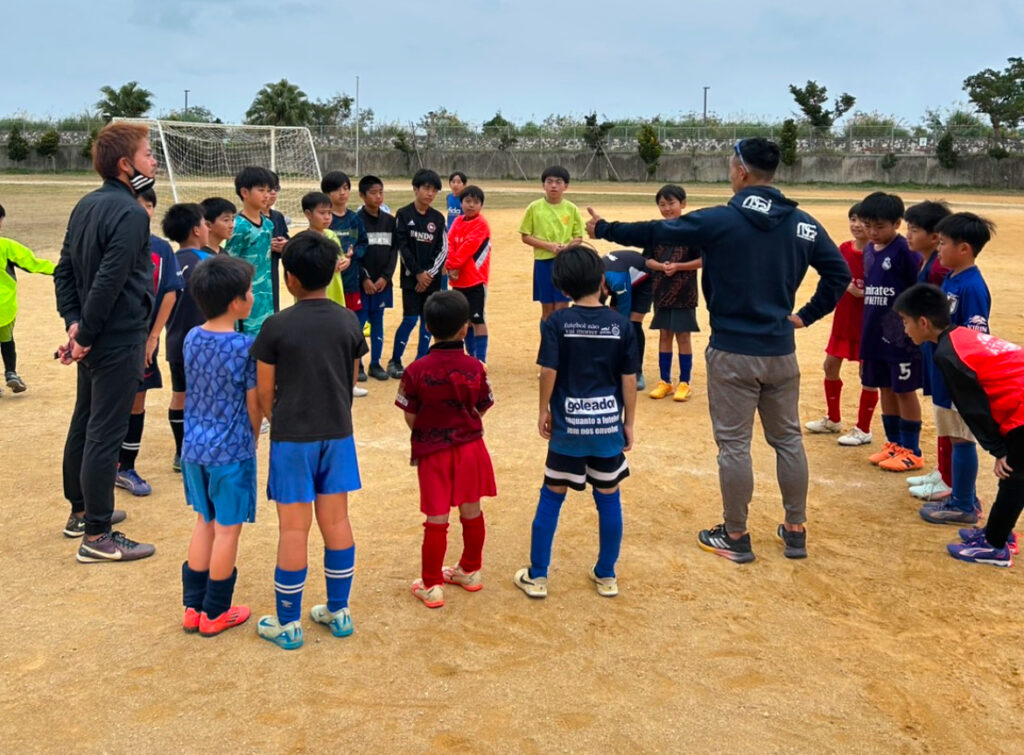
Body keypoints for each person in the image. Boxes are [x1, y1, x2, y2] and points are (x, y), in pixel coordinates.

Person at [587, 138, 849, 563]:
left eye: (731, 165)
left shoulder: (722, 220)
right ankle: (795, 529)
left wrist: (604, 230)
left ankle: (736, 534)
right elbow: (838, 274)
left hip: (732, 351)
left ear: (741, 171)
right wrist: (804, 316)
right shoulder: (804, 223)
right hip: (781, 352)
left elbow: (656, 232)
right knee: (787, 440)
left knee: (734, 445)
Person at [251, 232, 367, 650]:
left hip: (292, 437)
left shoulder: (276, 325)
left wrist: (274, 419)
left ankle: (288, 623)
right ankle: (339, 611)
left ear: (290, 278)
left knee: (293, 528)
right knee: (336, 521)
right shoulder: (348, 320)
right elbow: (351, 377)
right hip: (336, 434)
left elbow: (265, 391)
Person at [54, 121, 157, 558]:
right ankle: (97, 536)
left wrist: (75, 326)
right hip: (114, 338)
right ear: (123, 164)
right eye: (147, 153)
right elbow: (108, 282)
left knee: (85, 421)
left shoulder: (85, 205)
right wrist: (87, 333)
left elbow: (65, 272)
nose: (152, 161)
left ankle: (81, 510)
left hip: (93, 336)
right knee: (104, 432)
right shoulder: (132, 212)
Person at [513, 244, 637, 599]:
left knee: (552, 496)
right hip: (606, 427)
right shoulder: (620, 325)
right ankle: (607, 574)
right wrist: (628, 422)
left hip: (569, 428)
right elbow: (628, 379)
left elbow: (548, 370)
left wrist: (543, 410)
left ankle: (538, 576)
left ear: (563, 289)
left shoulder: (557, 322)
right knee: (609, 497)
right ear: (602, 281)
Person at [895, 283, 1023, 567]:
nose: (905, 329)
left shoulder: (947, 354)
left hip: (1021, 408)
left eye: (905, 322)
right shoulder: (959, 337)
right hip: (1018, 402)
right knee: (1016, 475)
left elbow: (973, 408)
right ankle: (998, 533)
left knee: (1013, 476)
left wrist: (999, 450)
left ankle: (996, 546)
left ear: (924, 323)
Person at [395, 290, 495, 608]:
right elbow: (483, 404)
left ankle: (432, 584)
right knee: (472, 510)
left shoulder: (415, 370)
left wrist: (429, 430)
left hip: (433, 450)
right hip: (470, 448)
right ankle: (469, 569)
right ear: (465, 328)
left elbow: (410, 413)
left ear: (427, 326)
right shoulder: (477, 368)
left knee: (436, 518)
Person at [179, 255, 260, 636]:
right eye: (248, 291)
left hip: (194, 447)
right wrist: (255, 436)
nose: (252, 296)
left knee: (204, 522)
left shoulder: (193, 336)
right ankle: (215, 613)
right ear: (236, 302)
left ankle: (193, 609)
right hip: (231, 452)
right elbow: (252, 402)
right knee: (228, 530)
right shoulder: (246, 346)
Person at [915, 212, 994, 525]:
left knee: (961, 437)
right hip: (943, 368)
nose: (939, 249)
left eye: (944, 243)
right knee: (951, 432)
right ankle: (961, 494)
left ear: (964, 249)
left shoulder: (972, 286)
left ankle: (964, 504)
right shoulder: (951, 278)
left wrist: (961, 374)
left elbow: (975, 338)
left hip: (958, 374)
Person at [114, 188, 184, 496]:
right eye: (137, 204)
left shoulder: (160, 248)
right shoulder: (111, 244)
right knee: (106, 404)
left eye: (148, 205)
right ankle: (104, 465)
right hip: (112, 340)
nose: (143, 210)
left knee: (136, 400)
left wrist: (154, 336)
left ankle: (126, 467)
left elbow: (170, 291)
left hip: (143, 341)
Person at [856, 192, 926, 472]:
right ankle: (894, 443)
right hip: (873, 332)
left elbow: (917, 289)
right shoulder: (870, 250)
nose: (873, 232)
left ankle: (912, 450)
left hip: (901, 337)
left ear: (897, 223)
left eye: (880, 226)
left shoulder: (905, 251)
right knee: (884, 387)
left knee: (904, 390)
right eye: (868, 225)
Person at [616, 184, 702, 402]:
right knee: (664, 334)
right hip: (662, 291)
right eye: (662, 205)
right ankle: (665, 380)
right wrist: (661, 266)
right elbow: (647, 259)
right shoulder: (656, 231)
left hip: (685, 293)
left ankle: (685, 382)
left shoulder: (692, 231)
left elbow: (703, 260)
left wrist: (679, 267)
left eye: (671, 203)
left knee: (683, 336)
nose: (667, 209)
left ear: (683, 204)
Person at [805, 203, 876, 444]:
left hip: (868, 323)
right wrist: (848, 286)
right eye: (853, 219)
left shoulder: (878, 253)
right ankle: (833, 419)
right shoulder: (844, 249)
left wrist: (866, 293)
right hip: (844, 320)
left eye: (863, 221)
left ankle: (863, 428)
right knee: (830, 366)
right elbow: (834, 275)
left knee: (867, 374)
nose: (857, 225)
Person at [901, 201, 953, 499]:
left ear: (935, 237)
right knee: (940, 412)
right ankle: (943, 471)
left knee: (946, 413)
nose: (908, 235)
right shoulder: (926, 261)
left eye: (915, 230)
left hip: (938, 345)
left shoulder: (937, 268)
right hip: (930, 346)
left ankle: (947, 478)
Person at [163, 202, 214, 471]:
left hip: (175, 341)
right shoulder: (208, 262)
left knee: (180, 394)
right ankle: (203, 449)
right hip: (206, 342)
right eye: (205, 224)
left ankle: (181, 453)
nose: (208, 228)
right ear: (197, 230)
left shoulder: (168, 260)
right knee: (207, 395)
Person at [387, 169, 447, 379]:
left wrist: (428, 274)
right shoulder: (403, 215)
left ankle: (422, 360)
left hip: (432, 280)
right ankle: (395, 360)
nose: (430, 194)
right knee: (410, 319)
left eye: (434, 190)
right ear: (415, 189)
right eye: (426, 188)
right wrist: (418, 273)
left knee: (428, 321)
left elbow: (442, 250)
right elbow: (402, 248)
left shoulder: (438, 218)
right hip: (411, 279)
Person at [0, 202, 55, 395]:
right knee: (6, 340)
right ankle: (11, 373)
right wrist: (59, 270)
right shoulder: (6, 246)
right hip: (4, 307)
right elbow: (33, 264)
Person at [519, 166, 584, 324]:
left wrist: (567, 248)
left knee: (562, 307)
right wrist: (548, 246)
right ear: (543, 185)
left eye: (558, 182)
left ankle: (561, 346)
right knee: (547, 309)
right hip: (543, 262)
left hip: (565, 264)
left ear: (565, 186)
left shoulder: (572, 209)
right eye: (549, 182)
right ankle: (547, 345)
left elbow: (579, 237)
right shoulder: (534, 208)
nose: (553, 185)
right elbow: (525, 236)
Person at [357, 175, 399, 381]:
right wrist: (364, 279)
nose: (378, 196)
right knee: (359, 323)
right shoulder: (357, 221)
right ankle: (359, 365)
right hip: (362, 284)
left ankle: (375, 363)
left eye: (381, 192)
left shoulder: (391, 222)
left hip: (383, 284)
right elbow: (355, 253)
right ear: (362, 196)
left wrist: (385, 278)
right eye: (373, 193)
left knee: (378, 322)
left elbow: (393, 253)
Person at [224, 166, 274, 336]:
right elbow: (230, 263)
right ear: (244, 192)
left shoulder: (268, 224)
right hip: (245, 296)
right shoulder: (239, 227)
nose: (266, 195)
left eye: (269, 190)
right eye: (261, 190)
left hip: (266, 295)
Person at [444, 184, 491, 362]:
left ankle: (481, 359)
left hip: (476, 280)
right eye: (467, 201)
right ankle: (470, 355)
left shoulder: (481, 224)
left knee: (477, 319)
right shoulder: (457, 221)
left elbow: (468, 248)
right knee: (464, 321)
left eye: (476, 202)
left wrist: (453, 266)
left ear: (481, 205)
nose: (471, 205)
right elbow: (450, 244)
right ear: (461, 203)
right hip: (458, 280)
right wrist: (450, 267)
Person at [322, 171, 368, 334]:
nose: (342, 193)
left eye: (346, 188)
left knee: (350, 323)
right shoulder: (325, 220)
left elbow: (363, 243)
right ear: (327, 193)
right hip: (329, 282)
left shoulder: (355, 219)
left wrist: (352, 255)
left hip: (351, 281)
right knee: (330, 323)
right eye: (337, 189)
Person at [267, 172, 290, 312]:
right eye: (268, 189)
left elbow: (287, 241)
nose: (273, 193)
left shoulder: (277, 217)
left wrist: (285, 246)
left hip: (272, 275)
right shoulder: (241, 222)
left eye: (276, 188)